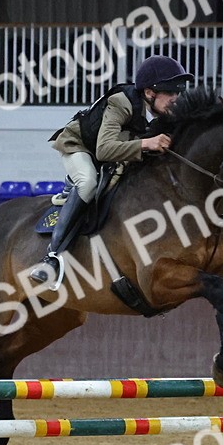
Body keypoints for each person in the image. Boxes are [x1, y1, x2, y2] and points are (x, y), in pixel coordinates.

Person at [31, 55, 194, 287]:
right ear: (149, 93)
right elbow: (104, 150)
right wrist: (146, 144)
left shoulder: (161, 114)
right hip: (82, 147)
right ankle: (52, 258)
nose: (176, 99)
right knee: (88, 182)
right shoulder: (121, 103)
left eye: (179, 93)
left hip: (115, 152)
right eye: (170, 93)